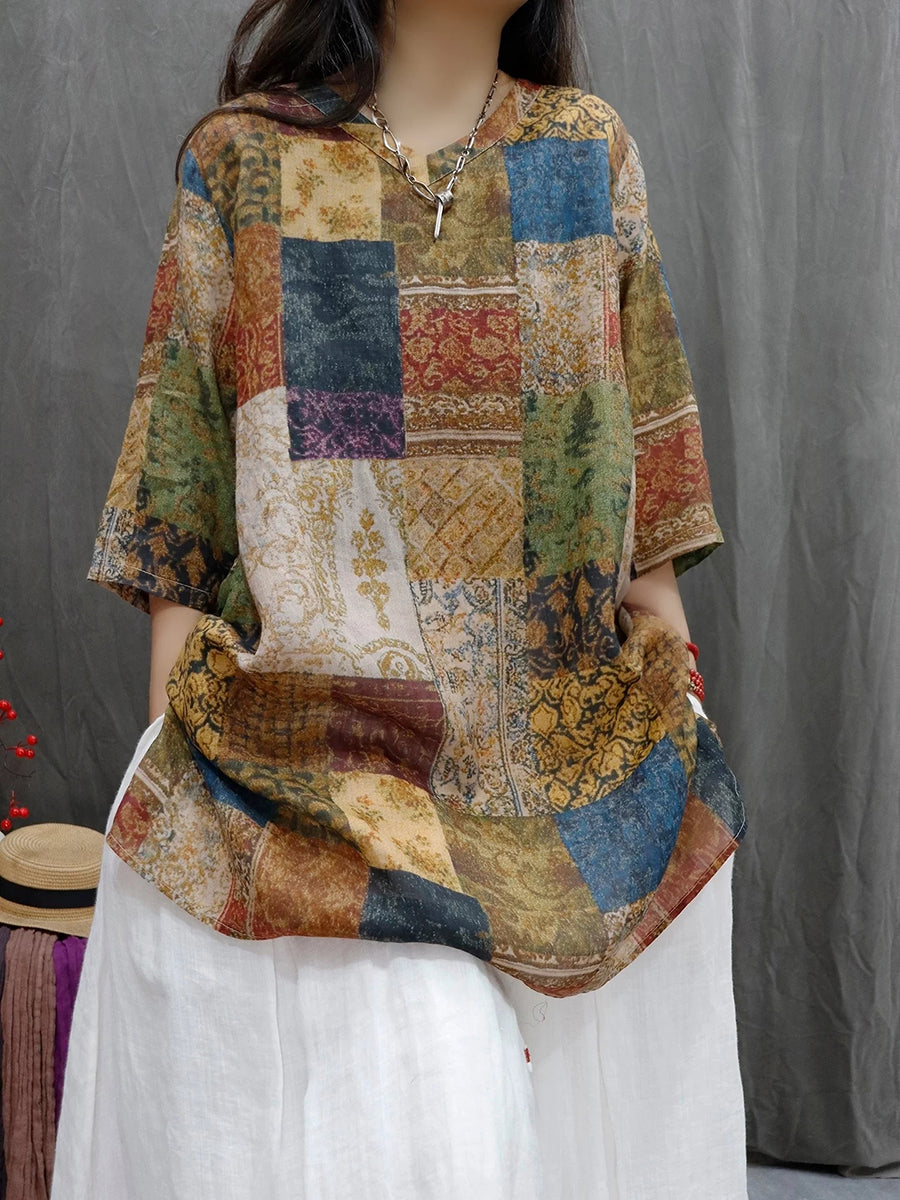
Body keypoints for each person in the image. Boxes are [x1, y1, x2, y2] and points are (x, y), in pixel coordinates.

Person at [52, 1, 749, 1197]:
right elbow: (181, 515)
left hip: (556, 760)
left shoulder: (587, 156)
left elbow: (649, 494)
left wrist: (679, 710)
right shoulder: (246, 164)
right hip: (317, 766)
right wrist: (182, 761)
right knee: (428, 1074)